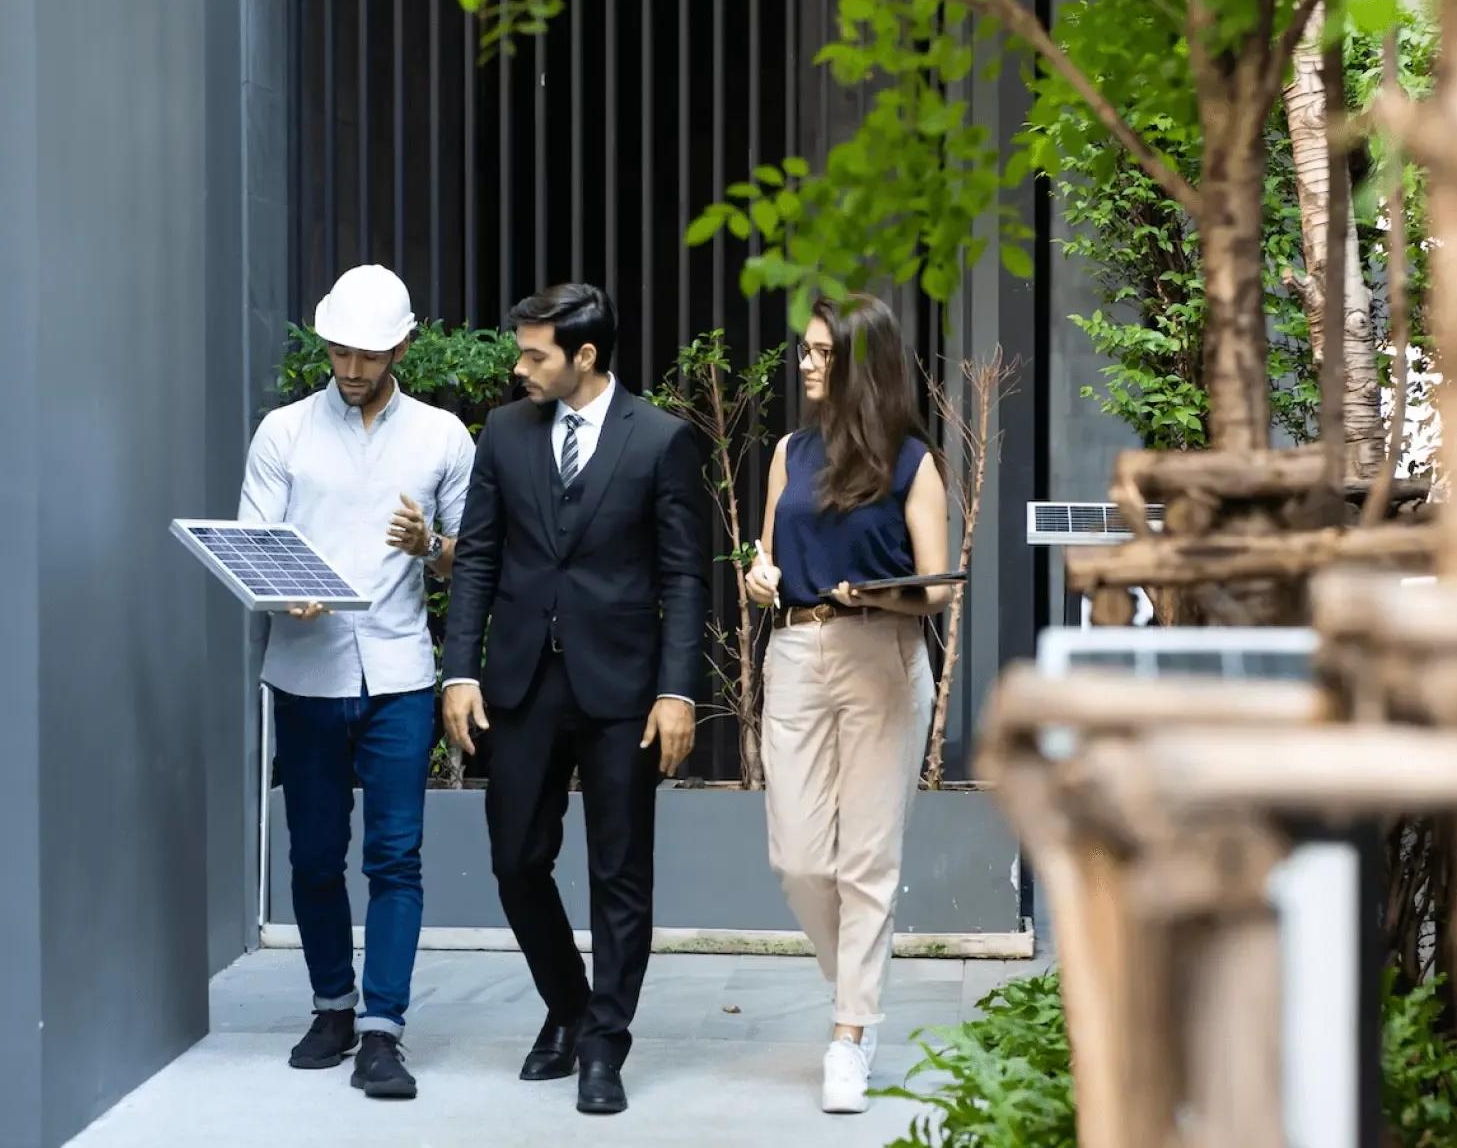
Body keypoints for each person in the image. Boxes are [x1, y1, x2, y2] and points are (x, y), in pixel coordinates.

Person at [440, 282, 707, 1116]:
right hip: (521, 681)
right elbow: (477, 556)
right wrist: (460, 671)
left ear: (584, 357)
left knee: (619, 871)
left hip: (624, 686)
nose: (519, 367)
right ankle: (567, 1001)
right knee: (516, 858)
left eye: (534, 354)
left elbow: (685, 576)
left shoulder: (661, 440)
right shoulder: (504, 434)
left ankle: (602, 1045)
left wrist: (676, 691)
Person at [238, 264, 475, 1100]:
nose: (350, 369)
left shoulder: (444, 436)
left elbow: (472, 556)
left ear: (403, 346)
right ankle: (331, 1005)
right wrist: (279, 590)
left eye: (368, 355)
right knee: (310, 856)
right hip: (305, 671)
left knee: (395, 857)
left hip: (402, 673)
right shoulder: (283, 433)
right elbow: (250, 544)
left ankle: (383, 1029)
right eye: (339, 351)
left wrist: (428, 549)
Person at [743, 293, 949, 1114]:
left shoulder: (910, 462)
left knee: (867, 859)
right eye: (806, 350)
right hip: (793, 648)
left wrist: (886, 597)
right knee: (797, 860)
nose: (807, 362)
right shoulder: (790, 452)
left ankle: (849, 1036)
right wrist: (758, 579)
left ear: (865, 362)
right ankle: (855, 993)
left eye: (823, 352)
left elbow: (934, 587)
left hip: (882, 651)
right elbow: (765, 556)